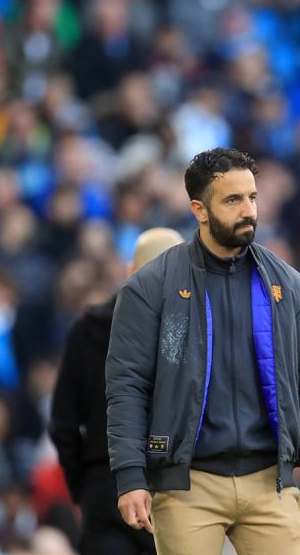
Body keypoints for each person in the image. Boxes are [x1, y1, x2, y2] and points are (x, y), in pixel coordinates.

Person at [105, 148, 300, 554]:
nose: (248, 210)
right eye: (233, 200)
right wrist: (130, 477)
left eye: (252, 197)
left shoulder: (291, 287)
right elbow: (127, 386)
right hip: (187, 486)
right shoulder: (149, 288)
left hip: (271, 482)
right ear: (199, 209)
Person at [50, 227, 185, 555]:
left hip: (106, 487)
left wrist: (82, 489)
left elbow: (63, 424)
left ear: (129, 270)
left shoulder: (88, 327)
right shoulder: (193, 332)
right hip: (176, 490)